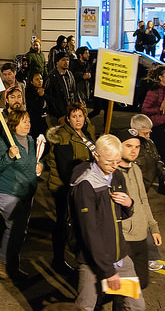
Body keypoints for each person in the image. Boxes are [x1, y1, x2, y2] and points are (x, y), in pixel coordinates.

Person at [70, 134, 145, 311]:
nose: (114, 166)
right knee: (85, 307)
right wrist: (108, 271)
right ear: (96, 155)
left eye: (118, 161)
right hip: (93, 262)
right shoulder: (85, 186)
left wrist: (129, 204)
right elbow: (90, 232)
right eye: (110, 161)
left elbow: (120, 216)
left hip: (119, 257)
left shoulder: (117, 176)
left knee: (136, 306)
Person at [0, 110, 42, 281]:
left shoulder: (30, 140)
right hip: (7, 191)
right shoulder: (4, 141)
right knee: (13, 225)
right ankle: (0, 259)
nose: (28, 124)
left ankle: (11, 262)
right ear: (14, 124)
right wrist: (8, 157)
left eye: (28, 120)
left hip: (26, 191)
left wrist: (40, 165)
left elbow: (32, 161)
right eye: (23, 121)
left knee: (21, 230)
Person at [45, 102, 96, 276]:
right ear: (68, 119)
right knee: (63, 223)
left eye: (80, 116)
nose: (78, 119)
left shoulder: (87, 133)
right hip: (65, 187)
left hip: (84, 185)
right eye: (74, 116)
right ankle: (58, 260)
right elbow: (66, 169)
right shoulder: (63, 136)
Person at [115, 129, 163, 289]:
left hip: (141, 236)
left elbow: (143, 200)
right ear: (118, 147)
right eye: (128, 146)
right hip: (123, 237)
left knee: (141, 282)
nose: (134, 150)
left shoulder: (136, 169)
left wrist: (153, 227)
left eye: (137, 146)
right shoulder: (112, 173)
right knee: (123, 288)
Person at [44, 51, 79, 126]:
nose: (66, 62)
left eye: (67, 60)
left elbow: (74, 92)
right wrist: (59, 115)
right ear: (57, 62)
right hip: (56, 115)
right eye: (63, 60)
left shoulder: (70, 74)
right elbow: (49, 98)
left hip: (69, 112)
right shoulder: (52, 77)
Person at [25, 72, 47, 140]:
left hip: (44, 121)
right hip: (35, 122)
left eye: (41, 79)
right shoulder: (29, 93)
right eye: (37, 79)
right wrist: (40, 97)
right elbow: (36, 107)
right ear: (31, 81)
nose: (40, 81)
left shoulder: (44, 90)